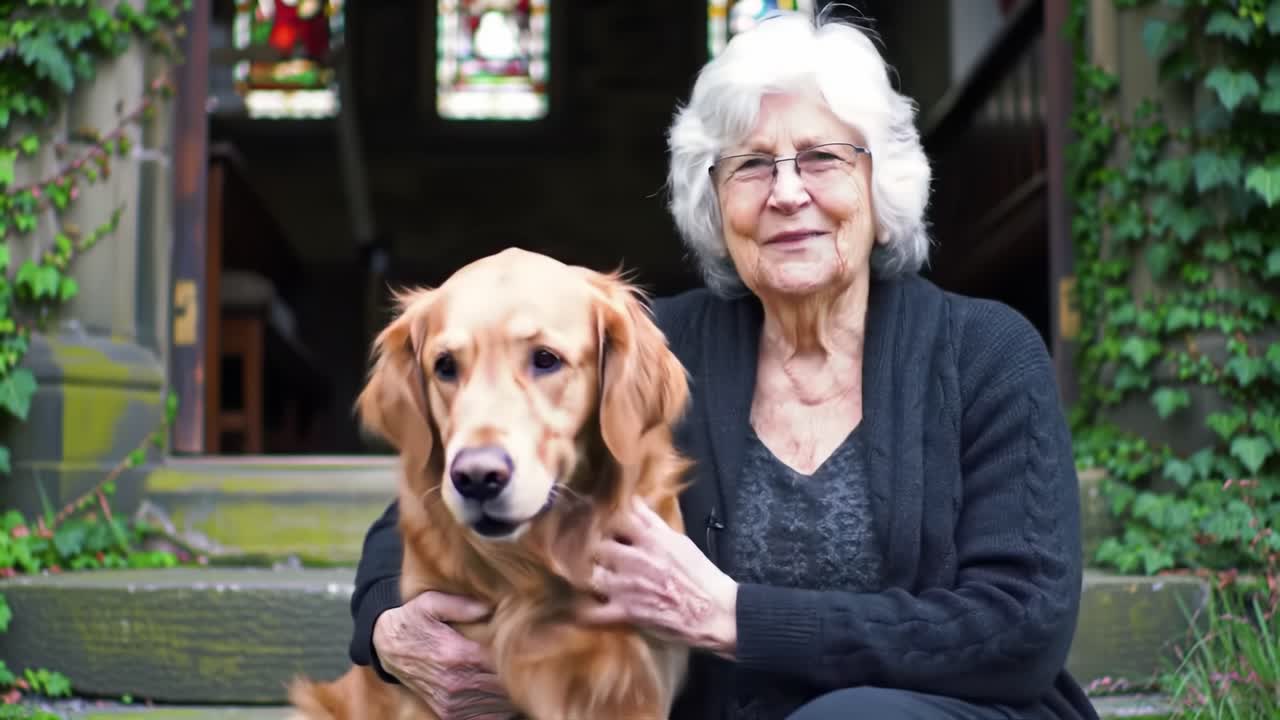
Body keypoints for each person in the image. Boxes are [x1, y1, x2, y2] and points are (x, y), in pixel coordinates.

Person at [345, 10, 1099, 720]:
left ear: (881, 181)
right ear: (713, 200)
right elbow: (431, 499)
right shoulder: (660, 350)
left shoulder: (984, 354)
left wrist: (733, 616)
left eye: (822, 158)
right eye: (751, 167)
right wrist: (387, 625)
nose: (788, 193)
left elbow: (1020, 627)